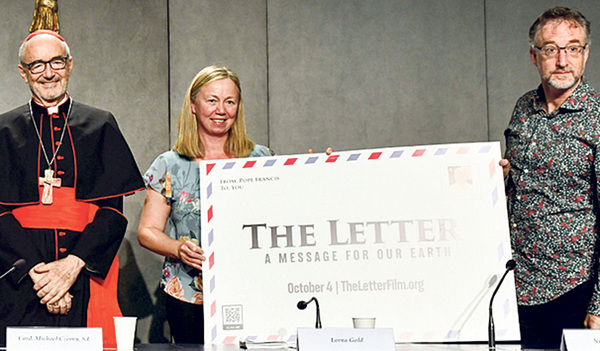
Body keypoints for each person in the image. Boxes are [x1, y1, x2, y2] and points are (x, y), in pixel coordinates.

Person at [0, 29, 144, 347]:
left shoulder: (101, 125)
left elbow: (112, 213)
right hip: (21, 278)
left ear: (70, 65)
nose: (48, 72)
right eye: (37, 65)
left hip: (86, 270)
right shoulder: (4, 129)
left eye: (56, 62)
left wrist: (70, 267)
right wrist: (39, 273)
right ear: (23, 73)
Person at [137, 65, 276, 344]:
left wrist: (316, 171)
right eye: (212, 100)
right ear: (193, 105)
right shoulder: (170, 164)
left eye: (230, 101)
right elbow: (148, 231)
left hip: (251, 288)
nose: (221, 110)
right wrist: (177, 248)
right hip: (188, 294)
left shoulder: (261, 157)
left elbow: (282, 213)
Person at [501, 6, 600, 348]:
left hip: (573, 288)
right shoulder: (523, 107)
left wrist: (599, 304)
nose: (562, 60)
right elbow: (516, 188)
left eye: (573, 48)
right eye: (550, 49)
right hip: (515, 285)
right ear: (534, 56)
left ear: (585, 54)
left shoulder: (597, 118)